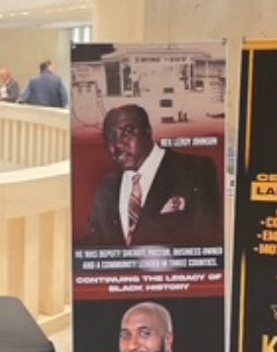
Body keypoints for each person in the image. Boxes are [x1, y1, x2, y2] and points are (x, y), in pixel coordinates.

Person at [84, 105, 220, 247]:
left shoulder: (196, 171)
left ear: (147, 131)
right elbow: (94, 245)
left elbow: (208, 241)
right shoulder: (106, 187)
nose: (117, 145)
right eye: (110, 137)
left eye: (127, 132)